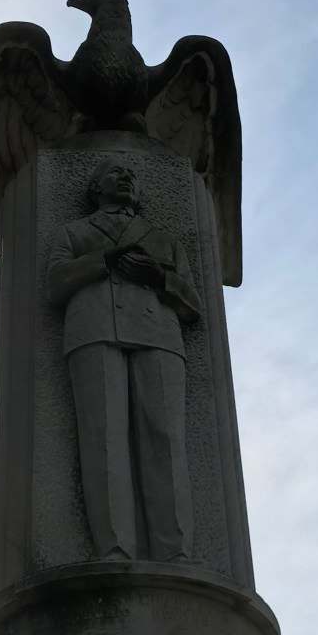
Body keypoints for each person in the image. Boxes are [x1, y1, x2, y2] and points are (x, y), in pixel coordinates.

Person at [46, 158, 201, 562]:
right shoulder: (74, 232)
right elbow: (55, 284)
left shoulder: (164, 240)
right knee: (104, 440)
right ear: (95, 189)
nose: (127, 179)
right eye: (117, 174)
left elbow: (193, 302)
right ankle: (115, 548)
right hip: (93, 331)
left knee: (165, 439)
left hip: (158, 335)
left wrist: (159, 277)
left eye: (132, 175)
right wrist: (106, 259)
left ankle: (176, 551)